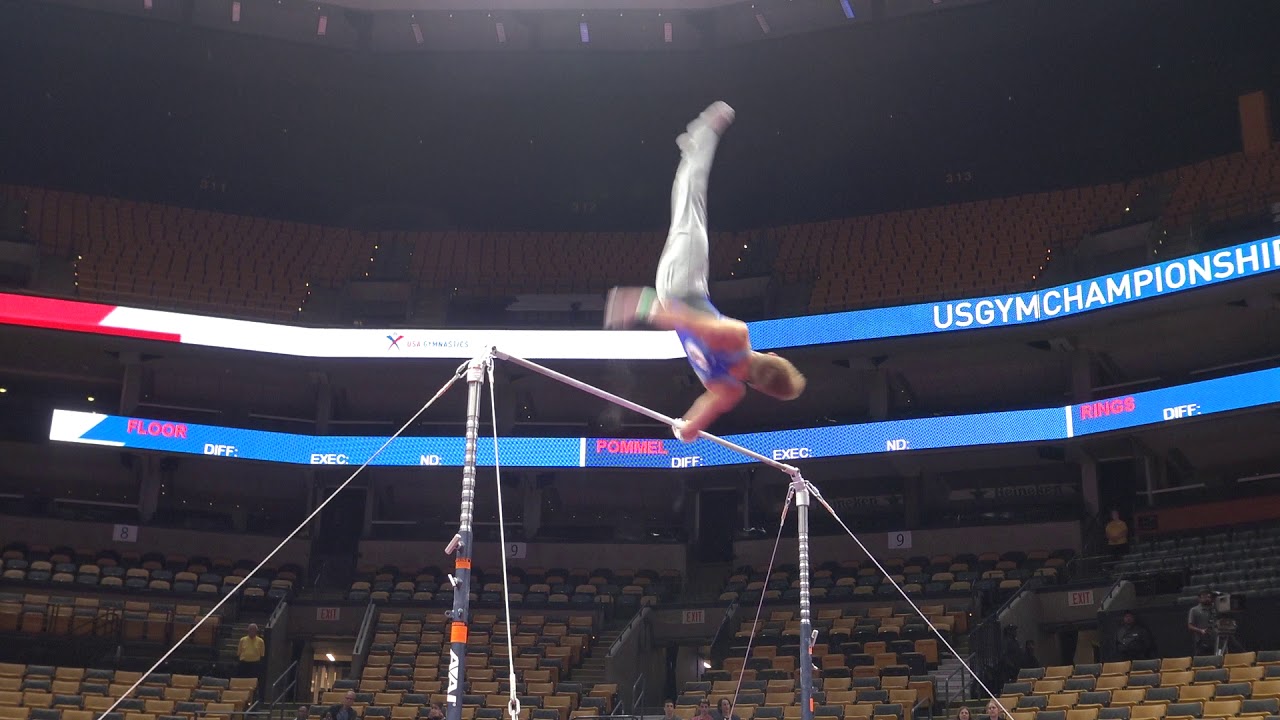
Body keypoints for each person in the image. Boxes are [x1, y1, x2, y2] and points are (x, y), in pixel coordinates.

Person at [604, 102, 806, 441]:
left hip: (681, 288)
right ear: (761, 389)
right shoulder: (729, 391)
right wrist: (686, 428)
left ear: (772, 356)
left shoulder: (736, 336)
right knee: (688, 209)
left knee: (691, 206)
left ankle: (703, 137)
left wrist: (642, 306)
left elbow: (688, 321)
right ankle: (693, 152)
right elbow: (693, 424)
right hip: (681, 292)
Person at [1187, 589, 1216, 655]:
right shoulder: (1194, 610)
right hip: (1201, 641)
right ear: (1199, 598)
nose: (1207, 599)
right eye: (1205, 597)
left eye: (1209, 597)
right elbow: (1190, 626)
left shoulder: (1215, 609)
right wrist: (1200, 630)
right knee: (1201, 661)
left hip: (1215, 640)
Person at [236, 623, 265, 688]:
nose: (252, 631)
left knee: (253, 683)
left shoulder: (260, 641)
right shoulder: (242, 640)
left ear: (256, 631)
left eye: (253, 630)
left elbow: (262, 654)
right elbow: (239, 653)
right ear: (248, 630)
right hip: (244, 664)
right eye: (250, 630)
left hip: (255, 665)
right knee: (242, 681)